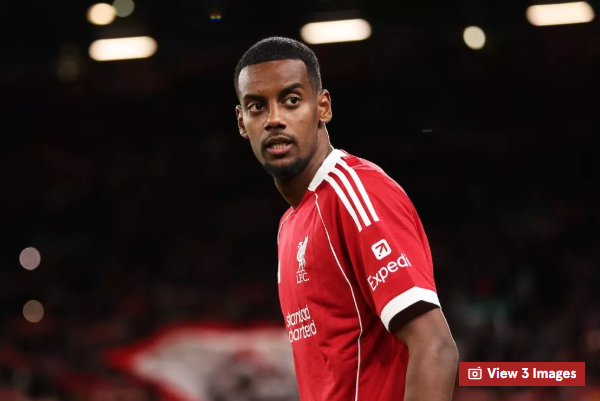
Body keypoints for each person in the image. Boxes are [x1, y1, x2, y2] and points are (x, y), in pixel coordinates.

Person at [234, 37, 458, 401]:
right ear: (242, 122)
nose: (274, 119)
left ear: (322, 107)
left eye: (292, 100)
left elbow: (435, 347)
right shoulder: (289, 225)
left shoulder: (357, 192)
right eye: (257, 106)